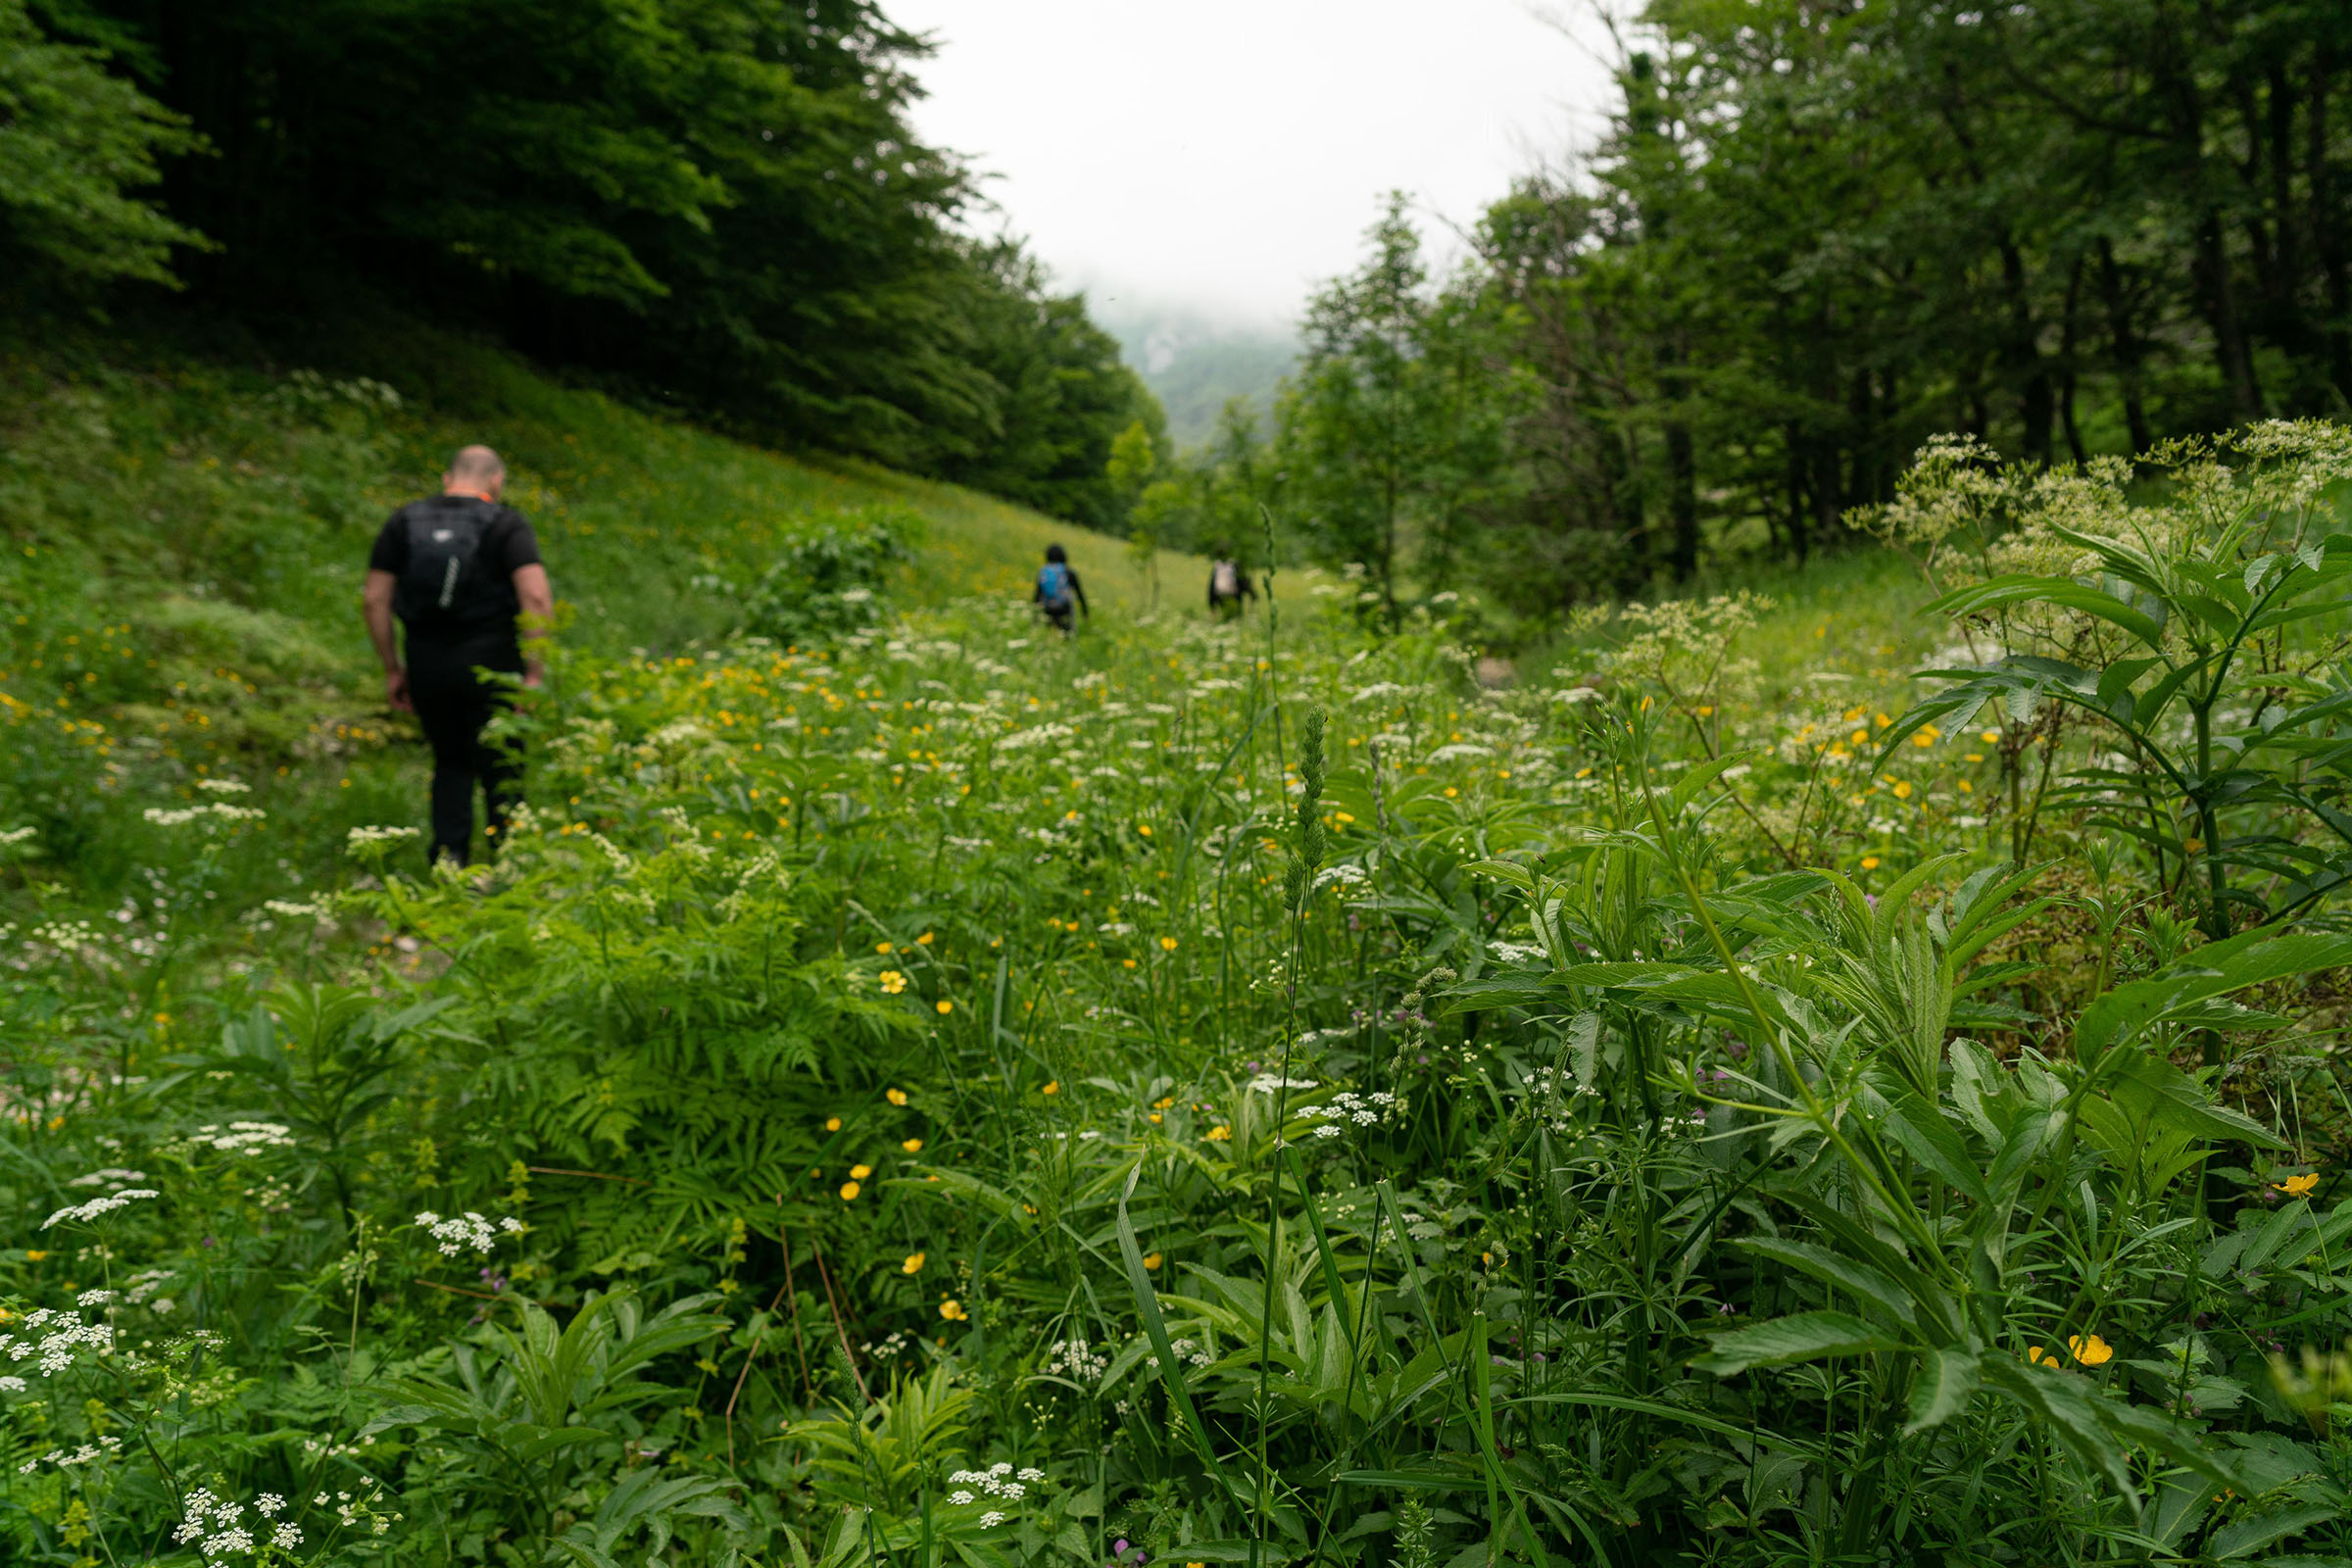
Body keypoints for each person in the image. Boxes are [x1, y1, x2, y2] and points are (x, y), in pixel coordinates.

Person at [362, 446, 553, 866]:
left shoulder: (404, 521)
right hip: (494, 667)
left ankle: (450, 865)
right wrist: (535, 673)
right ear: (496, 482)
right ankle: (511, 867)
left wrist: (393, 667)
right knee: (503, 764)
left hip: (427, 664)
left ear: (448, 479)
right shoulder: (507, 524)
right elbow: (535, 596)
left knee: (450, 761)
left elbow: (375, 599)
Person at [1032, 543, 1088, 636]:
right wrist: (1085, 612)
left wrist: (1035, 619)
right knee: (1067, 635)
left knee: (1050, 635)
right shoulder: (1068, 572)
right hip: (1064, 609)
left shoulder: (1043, 572)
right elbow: (1079, 593)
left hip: (1048, 609)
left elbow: (1037, 595)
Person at [1207, 551, 1256, 617]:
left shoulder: (1233, 565)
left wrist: (1251, 592)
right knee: (1229, 618)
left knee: (1232, 617)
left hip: (1232, 596)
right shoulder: (1217, 566)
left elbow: (1242, 580)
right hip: (1223, 597)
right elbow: (1212, 585)